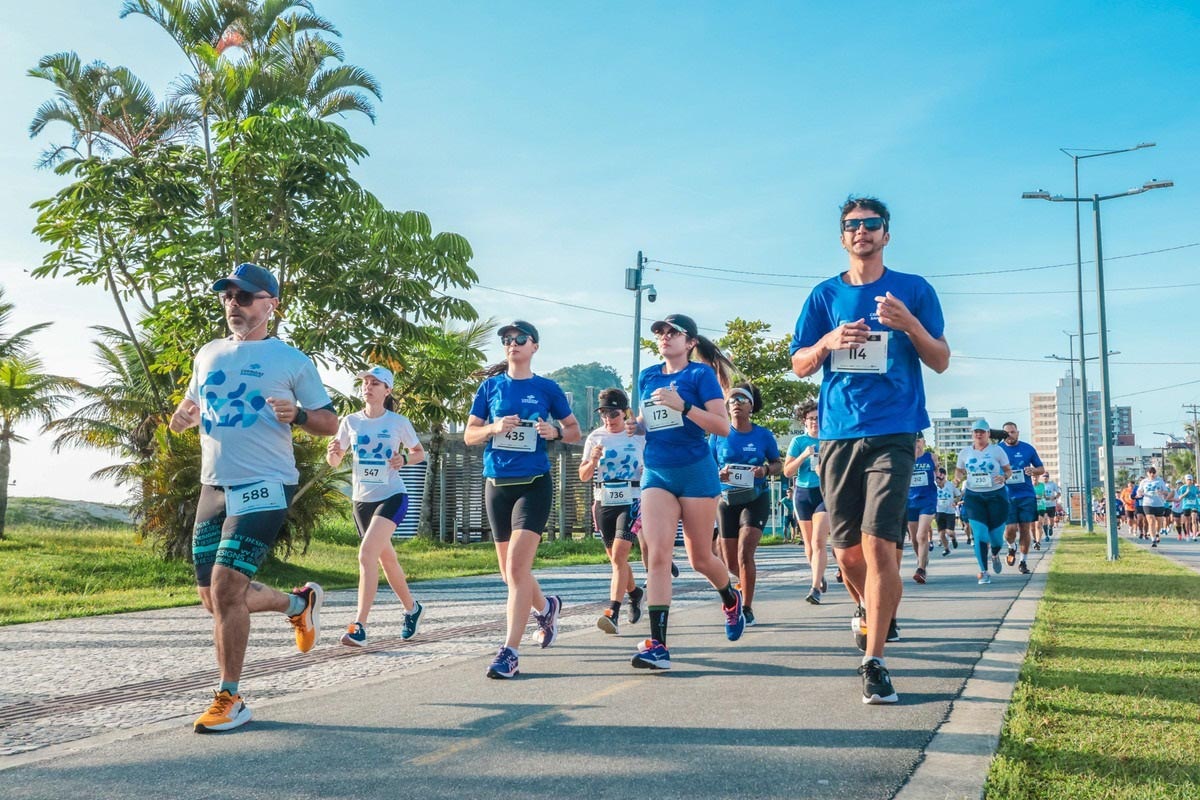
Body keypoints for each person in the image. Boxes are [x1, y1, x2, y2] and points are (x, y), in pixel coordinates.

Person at [790, 196, 949, 705]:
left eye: (871, 224)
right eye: (852, 225)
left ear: (886, 234)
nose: (862, 231)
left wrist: (910, 326)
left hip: (895, 431)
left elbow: (941, 359)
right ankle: (868, 607)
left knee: (881, 547)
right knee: (847, 554)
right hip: (836, 434)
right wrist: (829, 341)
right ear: (842, 237)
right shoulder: (825, 295)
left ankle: (873, 660)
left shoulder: (913, 290)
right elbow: (799, 364)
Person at [168, 263, 338, 733]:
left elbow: (330, 422)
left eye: (244, 297)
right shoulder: (206, 353)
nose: (233, 305)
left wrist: (300, 415)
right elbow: (190, 404)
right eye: (227, 297)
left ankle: (231, 697)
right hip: (214, 484)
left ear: (271, 304)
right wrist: (181, 418)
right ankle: (297, 605)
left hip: (265, 482)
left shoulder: (293, 361)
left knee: (226, 590)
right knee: (213, 599)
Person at [464, 321, 581, 679]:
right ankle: (546, 607)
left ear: (534, 347)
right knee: (509, 573)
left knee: (517, 568)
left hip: (533, 483)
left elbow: (575, 432)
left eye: (519, 339)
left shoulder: (547, 388)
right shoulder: (490, 387)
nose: (512, 344)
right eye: (506, 340)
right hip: (497, 484)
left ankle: (509, 652)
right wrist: (493, 429)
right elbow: (470, 435)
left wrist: (555, 432)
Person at [628, 312, 741, 671]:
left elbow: (722, 428)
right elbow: (651, 421)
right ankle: (658, 644)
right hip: (658, 472)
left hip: (695, 472)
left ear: (690, 342)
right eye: (660, 331)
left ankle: (730, 596)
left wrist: (685, 406)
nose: (664, 336)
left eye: (673, 332)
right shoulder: (647, 376)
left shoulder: (700, 375)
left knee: (700, 559)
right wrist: (637, 425)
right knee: (658, 555)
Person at [326, 366, 427, 647]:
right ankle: (412, 608)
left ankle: (359, 625)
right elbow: (335, 461)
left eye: (375, 383)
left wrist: (403, 460)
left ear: (387, 390)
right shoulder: (350, 422)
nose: (368, 387)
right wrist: (332, 454)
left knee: (366, 554)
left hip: (392, 496)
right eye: (365, 383)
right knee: (386, 559)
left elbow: (420, 452)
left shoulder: (398, 422)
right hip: (361, 501)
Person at [710, 382, 782, 626]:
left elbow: (777, 464)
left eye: (742, 399)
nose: (736, 403)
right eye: (732, 400)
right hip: (727, 500)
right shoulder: (718, 434)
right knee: (729, 561)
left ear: (752, 406)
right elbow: (707, 465)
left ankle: (747, 607)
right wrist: (718, 473)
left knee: (745, 552)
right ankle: (745, 586)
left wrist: (764, 469)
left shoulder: (763, 435)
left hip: (755, 498)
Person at [579, 388, 646, 634]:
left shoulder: (637, 436)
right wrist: (593, 460)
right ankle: (635, 592)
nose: (609, 418)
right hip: (604, 500)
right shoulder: (595, 437)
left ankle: (613, 612)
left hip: (631, 499)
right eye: (604, 413)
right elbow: (583, 475)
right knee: (616, 559)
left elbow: (653, 465)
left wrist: (644, 474)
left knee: (619, 556)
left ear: (624, 412)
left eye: (613, 413)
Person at [783, 400, 832, 604]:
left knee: (819, 541)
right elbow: (787, 471)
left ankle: (814, 589)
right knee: (809, 545)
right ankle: (818, 575)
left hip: (824, 494)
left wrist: (824, 473)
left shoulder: (830, 440)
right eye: (811, 419)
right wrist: (803, 455)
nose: (814, 422)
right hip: (803, 494)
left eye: (818, 418)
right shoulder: (798, 442)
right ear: (804, 421)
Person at [956, 420, 1012, 585]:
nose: (978, 434)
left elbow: (1008, 470)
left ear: (988, 433)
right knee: (980, 534)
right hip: (974, 498)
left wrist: (1004, 477)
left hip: (997, 497)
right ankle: (984, 571)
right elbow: (959, 470)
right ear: (972, 434)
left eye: (981, 431)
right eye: (975, 432)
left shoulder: (997, 450)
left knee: (996, 539)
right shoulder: (965, 452)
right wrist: (958, 478)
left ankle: (995, 554)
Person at [999, 422, 1044, 576]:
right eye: (1006, 433)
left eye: (1012, 432)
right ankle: (1011, 546)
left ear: (1017, 432)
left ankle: (1023, 561)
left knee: (1025, 529)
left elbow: (1041, 468)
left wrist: (1033, 470)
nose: (1010, 435)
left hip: (1026, 495)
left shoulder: (1028, 448)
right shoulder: (998, 449)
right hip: (1006, 495)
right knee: (1010, 530)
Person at [906, 433, 938, 584]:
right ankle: (921, 559)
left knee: (921, 535)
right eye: (914, 440)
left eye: (918, 440)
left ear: (924, 442)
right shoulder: (905, 457)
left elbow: (937, 472)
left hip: (927, 500)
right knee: (913, 538)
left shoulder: (931, 457)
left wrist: (939, 476)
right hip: (910, 501)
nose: (916, 443)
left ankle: (921, 569)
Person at [1137, 467, 1170, 547]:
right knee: (1151, 521)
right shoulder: (1144, 481)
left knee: (1159, 522)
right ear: (1147, 473)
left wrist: (1161, 492)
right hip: (1147, 504)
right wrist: (1140, 493)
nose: (1152, 474)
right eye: (1150, 473)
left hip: (1159, 504)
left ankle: (1157, 533)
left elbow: (1166, 492)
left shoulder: (1160, 481)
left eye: (1153, 473)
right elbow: (1139, 491)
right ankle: (1153, 540)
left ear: (1155, 473)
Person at [934, 469, 961, 556]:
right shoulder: (934, 486)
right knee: (941, 534)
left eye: (940, 478)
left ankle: (953, 538)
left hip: (950, 512)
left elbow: (958, 495)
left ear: (944, 476)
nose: (938, 481)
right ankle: (946, 549)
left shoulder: (950, 485)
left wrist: (955, 502)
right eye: (937, 478)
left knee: (950, 532)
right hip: (939, 511)